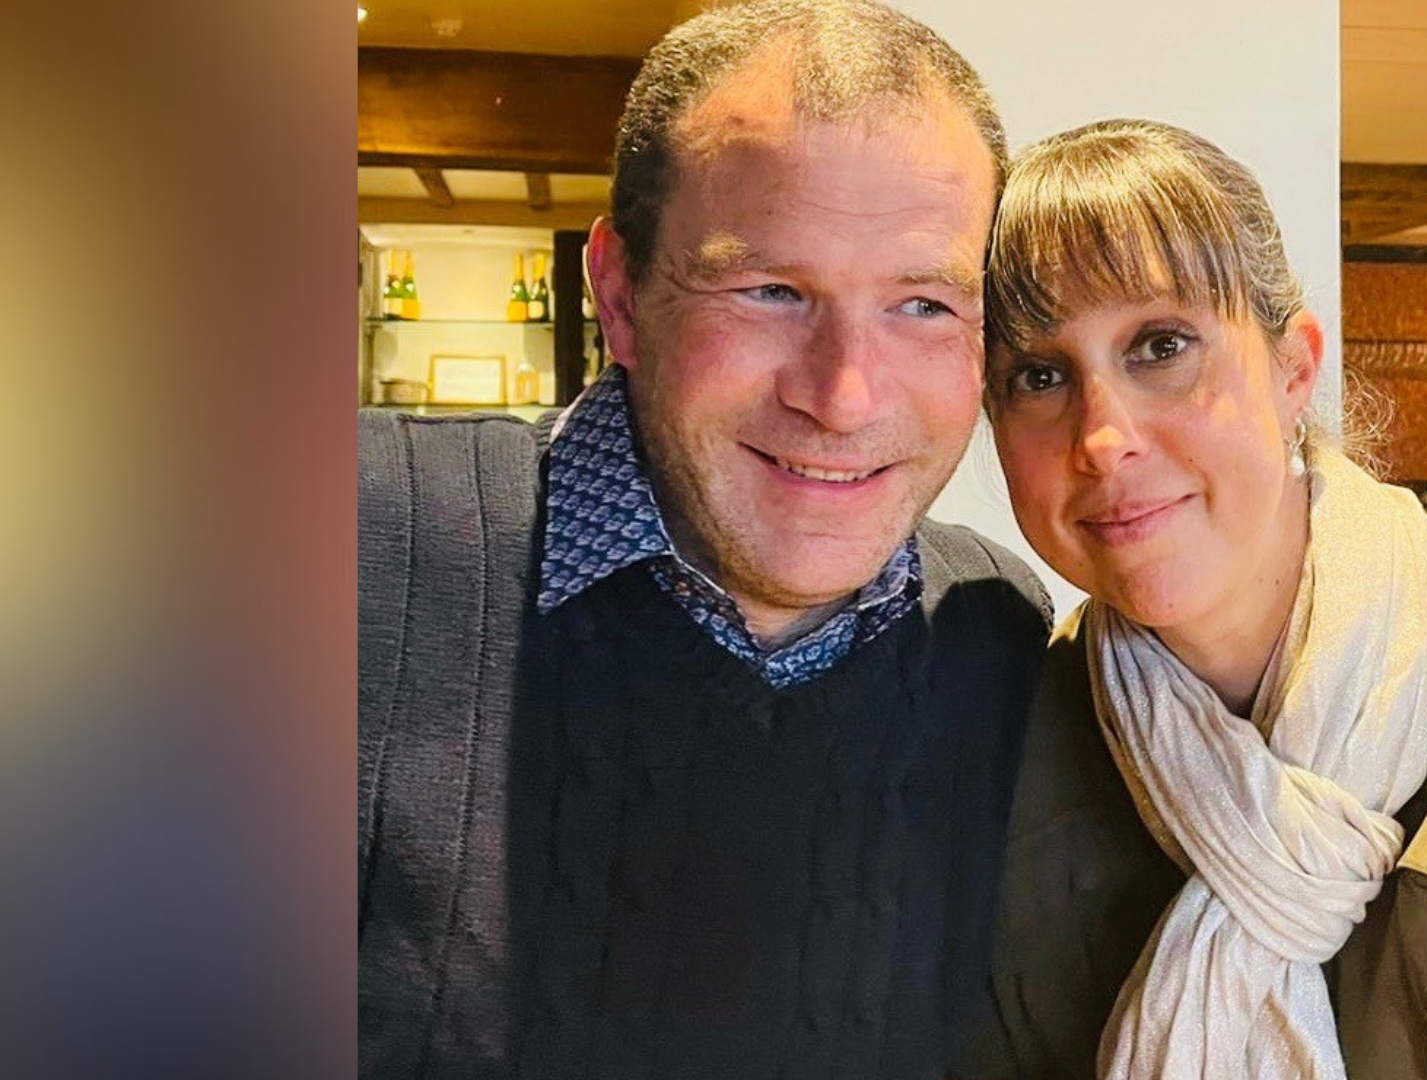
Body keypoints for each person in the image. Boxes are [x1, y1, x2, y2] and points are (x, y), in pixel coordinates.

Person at [356, 4, 1053, 1078]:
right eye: (771, 290)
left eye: (921, 304)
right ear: (620, 295)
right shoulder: (340, 548)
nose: (844, 395)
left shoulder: (999, 632)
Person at [955, 120, 1427, 1080]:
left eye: (1161, 345)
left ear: (1294, 372)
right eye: (1040, 375)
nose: (1103, 437)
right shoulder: (1017, 742)